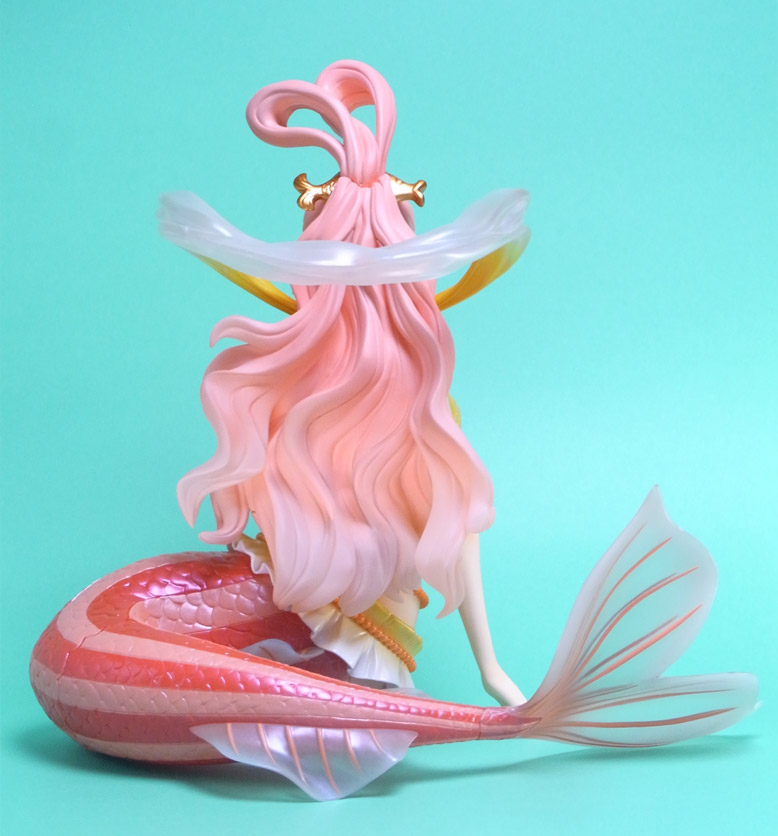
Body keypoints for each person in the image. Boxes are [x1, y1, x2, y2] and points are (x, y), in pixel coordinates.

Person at [159, 60, 532, 705]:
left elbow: (459, 527)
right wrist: (490, 668)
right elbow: (460, 529)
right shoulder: (294, 391)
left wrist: (491, 669)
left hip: (370, 650)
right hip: (297, 631)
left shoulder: (416, 408)